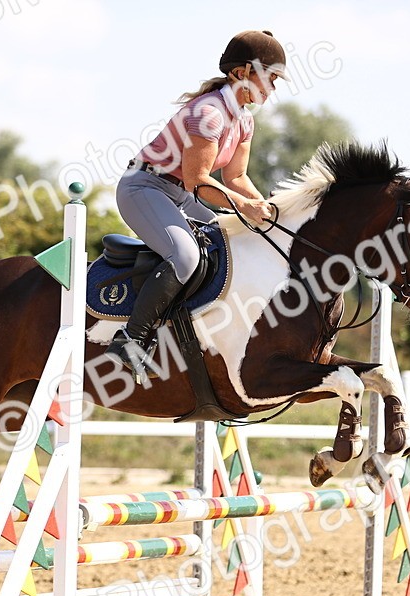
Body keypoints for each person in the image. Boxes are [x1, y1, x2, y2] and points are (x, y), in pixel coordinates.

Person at [106, 29, 288, 376]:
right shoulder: (209, 113)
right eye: (271, 79)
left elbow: (236, 179)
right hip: (144, 187)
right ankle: (131, 339)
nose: (273, 89)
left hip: (178, 193)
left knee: (232, 243)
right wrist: (246, 208)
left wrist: (267, 210)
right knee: (186, 255)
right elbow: (200, 183)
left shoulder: (244, 120)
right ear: (242, 73)